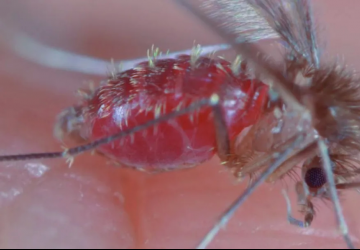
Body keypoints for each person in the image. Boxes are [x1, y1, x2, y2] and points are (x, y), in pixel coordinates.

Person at [0, 0, 358, 248]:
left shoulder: (297, 102)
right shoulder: (300, 120)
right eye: (313, 179)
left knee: (224, 95)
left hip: (222, 96)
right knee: (216, 100)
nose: (305, 190)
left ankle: (71, 76)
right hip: (166, 104)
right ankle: (81, 138)